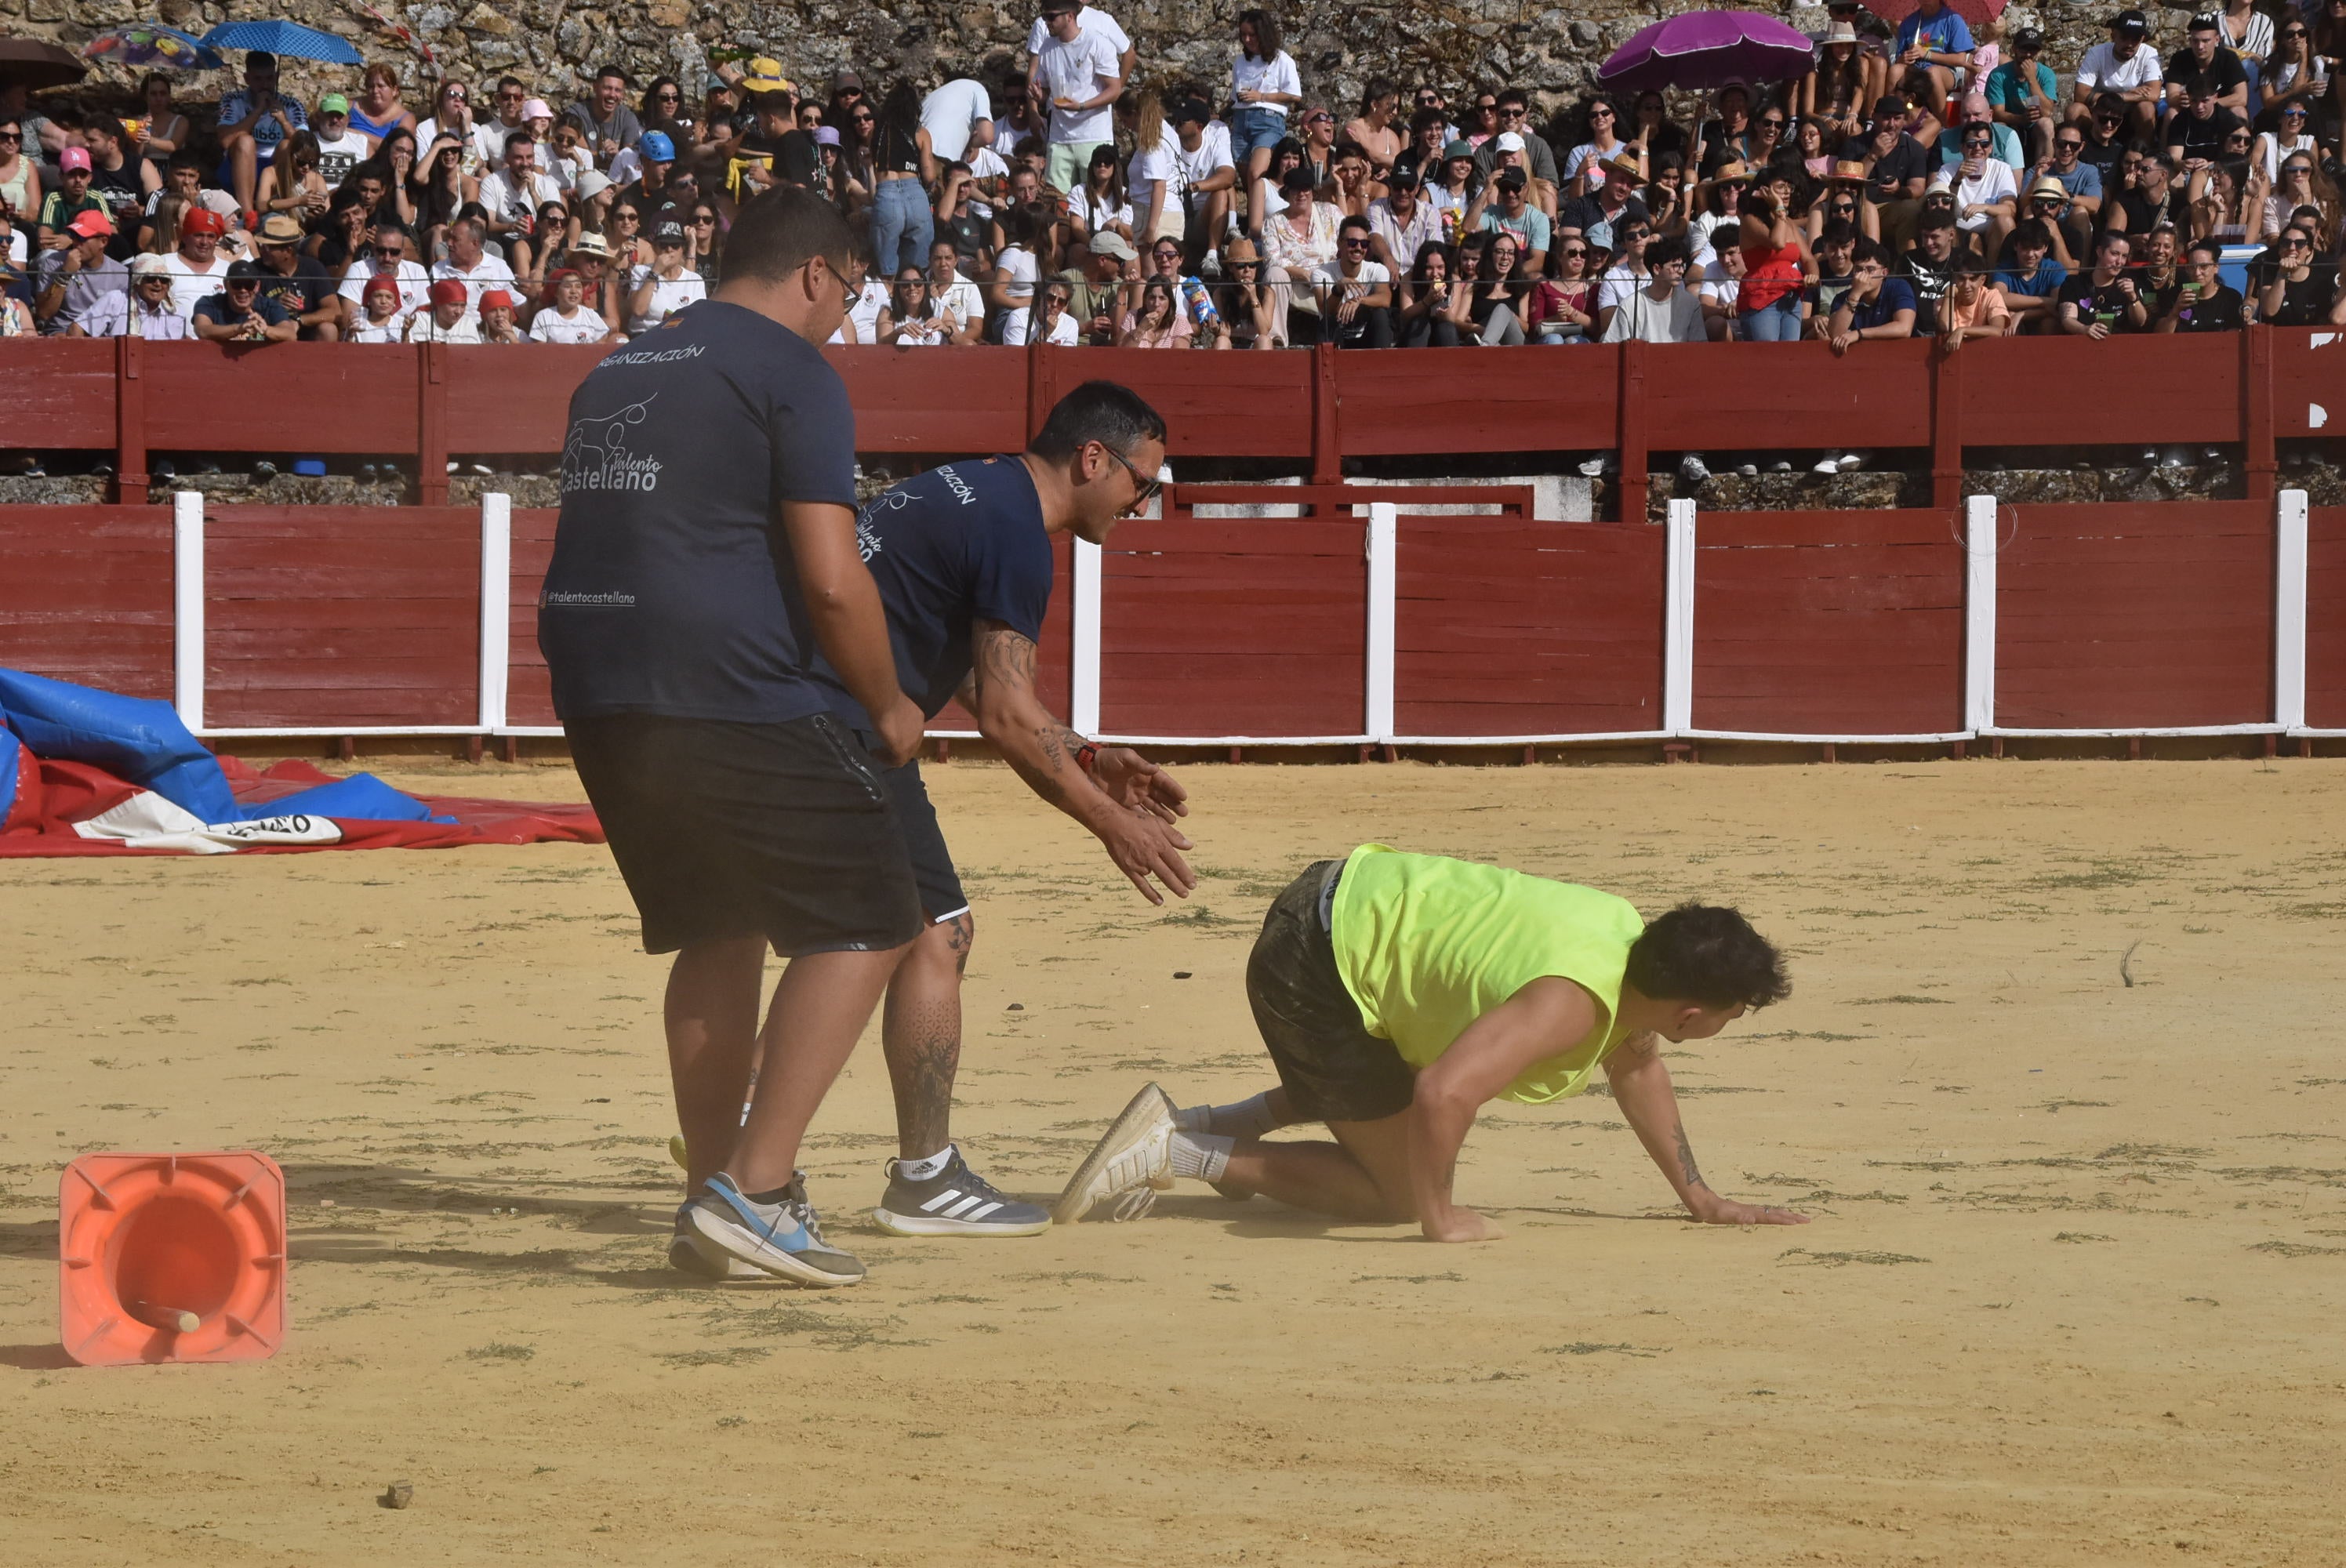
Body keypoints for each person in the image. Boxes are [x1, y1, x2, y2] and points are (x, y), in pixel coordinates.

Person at [542, 187, 934, 1289]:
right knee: (875, 915)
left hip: (598, 685)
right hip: (728, 687)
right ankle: (756, 1191)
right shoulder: (791, 370)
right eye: (850, 292)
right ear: (816, 272)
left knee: (718, 927)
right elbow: (830, 575)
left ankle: (710, 1194)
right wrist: (892, 704)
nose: (845, 317)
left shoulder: (614, 368)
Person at [1051, 848, 1800, 1241]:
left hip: (1336, 903)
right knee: (1397, 1194)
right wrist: (1439, 1216)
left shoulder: (1622, 936)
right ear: (1693, 1013)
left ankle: (1219, 1123)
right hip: (1314, 960)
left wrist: (1698, 1197)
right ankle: (1175, 1152)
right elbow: (1446, 1091)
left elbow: (1638, 1065)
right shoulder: (1571, 1003)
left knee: (1408, 1063)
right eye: (1734, 1013)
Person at [1037, 0, 1126, 196]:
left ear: (1069, 16)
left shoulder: (1096, 43)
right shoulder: (1046, 48)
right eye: (1044, 17)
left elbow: (1114, 89)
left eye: (1051, 17)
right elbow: (1045, 91)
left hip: (1092, 136)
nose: (1047, 22)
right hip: (1059, 138)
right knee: (1057, 204)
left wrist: (1082, 106)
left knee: (1096, 201)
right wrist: (1038, 95)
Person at [1231, 8, 1303, 226]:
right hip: (1241, 119)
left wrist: (1260, 95)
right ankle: (1259, 222)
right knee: (1246, 179)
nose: (1247, 39)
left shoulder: (1282, 60)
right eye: (1243, 34)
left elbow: (1294, 95)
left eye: (1252, 34)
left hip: (1268, 121)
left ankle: (1259, 228)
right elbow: (1236, 95)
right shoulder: (1240, 62)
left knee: (1257, 173)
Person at [216, 52, 309, 214]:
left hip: (277, 163)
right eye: (258, 79)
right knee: (246, 141)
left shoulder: (292, 105)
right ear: (247, 79)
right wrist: (258, 111)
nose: (265, 84)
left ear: (276, 77)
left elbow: (306, 147)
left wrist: (283, 120)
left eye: (269, 78)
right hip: (240, 162)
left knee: (287, 144)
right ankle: (247, 215)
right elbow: (225, 141)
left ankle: (277, 210)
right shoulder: (233, 100)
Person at [2073, 11, 2163, 143]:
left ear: (2142, 39)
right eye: (2124, 38)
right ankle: (2077, 154)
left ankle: (2142, 155)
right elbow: (2080, 95)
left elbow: (2154, 94)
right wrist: (2124, 95)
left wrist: (2118, 97)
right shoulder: (2097, 53)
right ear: (2113, 35)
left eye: (2135, 39)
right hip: (2100, 115)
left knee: (2146, 108)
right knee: (2075, 110)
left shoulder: (2149, 53)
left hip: (2131, 116)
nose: (2130, 44)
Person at [1599, 234, 1703, 342]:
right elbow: (1612, 345)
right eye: (1675, 266)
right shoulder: (1630, 305)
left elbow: (1699, 347)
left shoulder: (1691, 305)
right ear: (1657, 269)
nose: (1681, 271)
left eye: (1683, 266)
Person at [251, 212, 340, 339]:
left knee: (328, 329)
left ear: (288, 251)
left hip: (307, 334)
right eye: (262, 246)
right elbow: (244, 306)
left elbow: (334, 311)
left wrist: (299, 320)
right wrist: (274, 305)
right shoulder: (254, 269)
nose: (262, 250)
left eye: (268, 247)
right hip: (269, 333)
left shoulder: (313, 268)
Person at [33, 210, 123, 334]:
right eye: (73, 236)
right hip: (61, 334)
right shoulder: (54, 262)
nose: (75, 243)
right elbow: (44, 313)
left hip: (101, 337)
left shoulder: (121, 274)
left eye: (82, 238)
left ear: (103, 242)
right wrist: (65, 274)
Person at [71, 251, 189, 339]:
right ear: (137, 281)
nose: (158, 284)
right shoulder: (115, 300)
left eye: (164, 280)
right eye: (151, 278)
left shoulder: (177, 311)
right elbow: (76, 328)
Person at [1827, 240, 1917, 354]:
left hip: (1897, 355)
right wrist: (1855, 295)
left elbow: (1904, 328)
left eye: (1870, 270)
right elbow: (1835, 333)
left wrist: (1859, 334)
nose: (1863, 275)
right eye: (1858, 270)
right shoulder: (1843, 298)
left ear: (1884, 273)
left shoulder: (1899, 287)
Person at [2060, 230, 2149, 336]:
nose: (2119, 261)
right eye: (2114, 254)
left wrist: (2133, 298)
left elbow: (2140, 322)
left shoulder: (2128, 284)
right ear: (2100, 252)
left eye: (2124, 256)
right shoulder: (2075, 283)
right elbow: (2068, 319)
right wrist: (2084, 329)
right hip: (2082, 344)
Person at [193, 258, 298, 343]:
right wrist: (239, 328)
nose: (243, 290)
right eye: (237, 284)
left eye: (249, 285)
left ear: (257, 286)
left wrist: (265, 329)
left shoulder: (270, 306)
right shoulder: (209, 303)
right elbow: (202, 330)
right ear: (226, 285)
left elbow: (290, 334)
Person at [1992, 220, 2068, 333]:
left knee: (2050, 323)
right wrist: (2044, 302)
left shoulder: (2055, 269)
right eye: (2025, 248)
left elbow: (2057, 306)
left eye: (2036, 248)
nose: (2030, 254)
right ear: (2015, 246)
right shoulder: (2003, 269)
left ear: (2046, 248)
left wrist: (2022, 315)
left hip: (2041, 324)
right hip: (2014, 326)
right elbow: (1999, 297)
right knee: (2006, 319)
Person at [2159, 237, 2245, 330]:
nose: (2197, 273)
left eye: (2204, 266)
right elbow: (2160, 338)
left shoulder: (2231, 298)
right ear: (2187, 269)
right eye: (2192, 267)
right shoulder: (2175, 295)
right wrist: (2175, 312)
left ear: (2216, 268)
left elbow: (2233, 336)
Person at [568, 64, 644, 168]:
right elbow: (583, 158)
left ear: (623, 94)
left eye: (618, 90)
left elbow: (630, 163)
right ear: (595, 88)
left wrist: (618, 155)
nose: (612, 95)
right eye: (607, 88)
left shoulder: (628, 118)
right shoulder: (576, 114)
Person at [921, 77, 994, 165]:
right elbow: (986, 136)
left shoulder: (935, 94)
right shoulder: (978, 88)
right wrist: (969, 144)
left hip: (915, 151)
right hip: (940, 157)